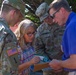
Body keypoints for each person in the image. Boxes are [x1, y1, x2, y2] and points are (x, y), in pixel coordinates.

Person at [34, 2, 65, 75]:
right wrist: (49, 63)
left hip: (66, 64)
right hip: (49, 67)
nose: (46, 20)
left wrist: (64, 63)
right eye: (44, 19)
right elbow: (38, 49)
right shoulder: (40, 30)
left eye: (47, 17)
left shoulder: (63, 24)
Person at [48, 0, 76, 75]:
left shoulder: (72, 26)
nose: (53, 20)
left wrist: (59, 63)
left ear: (62, 10)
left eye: (53, 16)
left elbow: (74, 62)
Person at [0, 0, 25, 75]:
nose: (19, 20)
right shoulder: (7, 34)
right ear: (13, 13)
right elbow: (9, 69)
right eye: (20, 16)